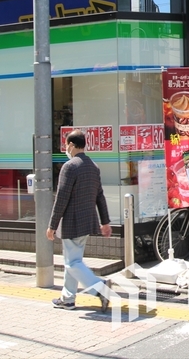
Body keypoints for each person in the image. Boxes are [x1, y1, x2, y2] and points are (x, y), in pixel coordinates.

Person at [47, 129, 111, 311]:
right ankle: (67, 299)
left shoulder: (70, 167)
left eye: (66, 145)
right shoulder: (93, 166)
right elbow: (100, 196)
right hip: (87, 222)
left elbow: (61, 198)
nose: (66, 148)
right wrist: (105, 222)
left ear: (72, 145)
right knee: (73, 260)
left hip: (72, 222)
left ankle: (100, 288)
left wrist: (52, 225)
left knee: (72, 263)